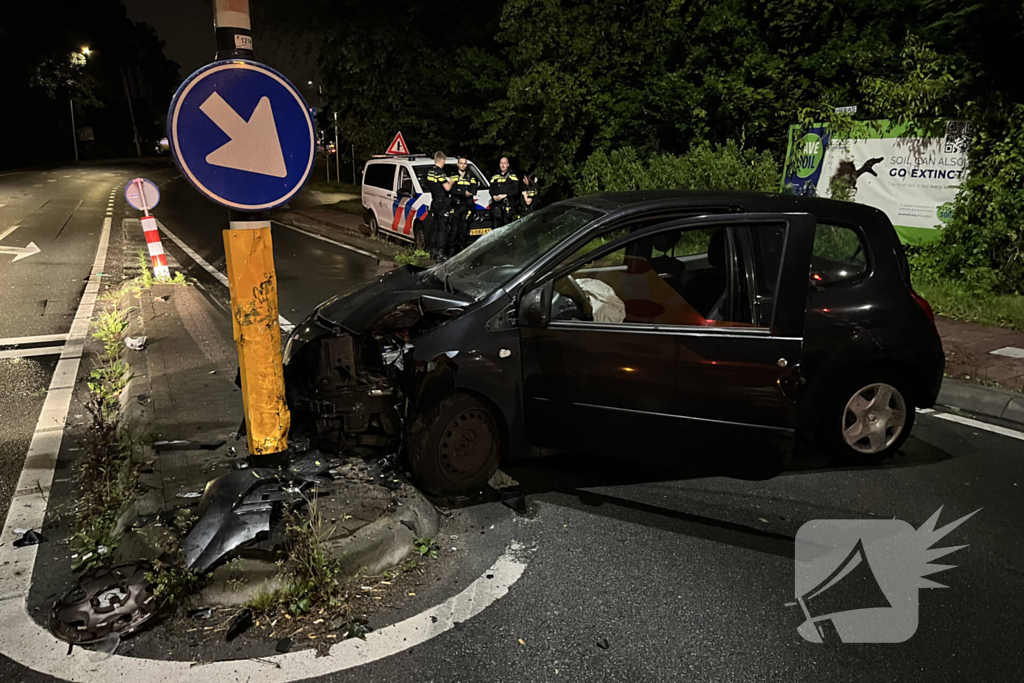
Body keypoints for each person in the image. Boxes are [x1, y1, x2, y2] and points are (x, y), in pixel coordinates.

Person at [422, 151, 453, 261]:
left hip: (434, 202)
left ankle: (433, 251)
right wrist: (452, 181)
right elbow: (447, 188)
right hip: (442, 204)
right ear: (442, 160)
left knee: (434, 228)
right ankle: (440, 252)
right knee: (442, 229)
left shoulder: (430, 172)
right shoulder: (440, 173)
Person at [448, 156, 479, 256]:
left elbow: (473, 190)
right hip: (456, 207)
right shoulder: (453, 176)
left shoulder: (471, 176)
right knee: (454, 230)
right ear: (458, 164)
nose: (462, 165)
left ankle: (462, 251)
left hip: (466, 207)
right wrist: (463, 192)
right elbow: (452, 190)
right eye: (461, 163)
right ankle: (452, 252)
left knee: (464, 230)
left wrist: (460, 191)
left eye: (464, 163)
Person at [489, 157, 520, 228]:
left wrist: (506, 195)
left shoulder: (512, 175)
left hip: (508, 204)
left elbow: (516, 189)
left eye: (505, 163)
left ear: (508, 164)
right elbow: (491, 189)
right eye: (501, 163)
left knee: (507, 226)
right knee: (496, 226)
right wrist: (493, 196)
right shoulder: (495, 176)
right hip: (496, 205)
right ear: (499, 164)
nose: (503, 165)